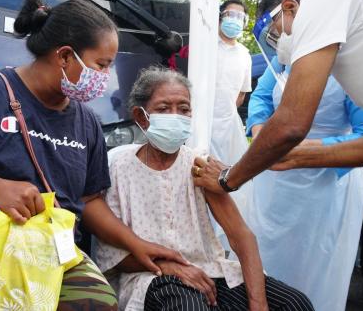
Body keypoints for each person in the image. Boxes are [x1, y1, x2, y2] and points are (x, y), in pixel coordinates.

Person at [0, 0, 185, 310]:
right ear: (66, 56)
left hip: (48, 246)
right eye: (101, 64)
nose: (105, 78)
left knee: (98, 304)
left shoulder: (87, 122)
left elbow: (88, 200)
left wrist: (136, 245)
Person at [96, 66, 315, 311]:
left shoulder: (199, 166)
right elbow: (114, 254)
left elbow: (241, 236)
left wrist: (258, 304)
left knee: (294, 304)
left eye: (184, 109)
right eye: (163, 109)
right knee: (189, 305)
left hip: (209, 270)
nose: (175, 116)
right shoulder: (118, 168)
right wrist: (171, 267)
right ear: (140, 116)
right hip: (150, 275)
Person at [192, 0, 363, 194]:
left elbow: (290, 125)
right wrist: (290, 153)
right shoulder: (359, 39)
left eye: (275, 35)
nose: (279, 48)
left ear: (290, 8)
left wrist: (226, 180)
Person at [245, 50, 363, 311]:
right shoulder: (284, 57)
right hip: (276, 183)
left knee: (317, 266)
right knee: (269, 256)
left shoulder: (353, 64)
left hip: (327, 183)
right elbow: (261, 97)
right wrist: (260, 133)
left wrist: (306, 148)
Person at [210, 0, 254, 256]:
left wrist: (226, 112)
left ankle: (225, 247)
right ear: (220, 16)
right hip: (203, 123)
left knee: (231, 184)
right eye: (230, 15)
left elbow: (241, 94)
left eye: (240, 17)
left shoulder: (245, 55)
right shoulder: (207, 48)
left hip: (230, 127)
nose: (234, 21)